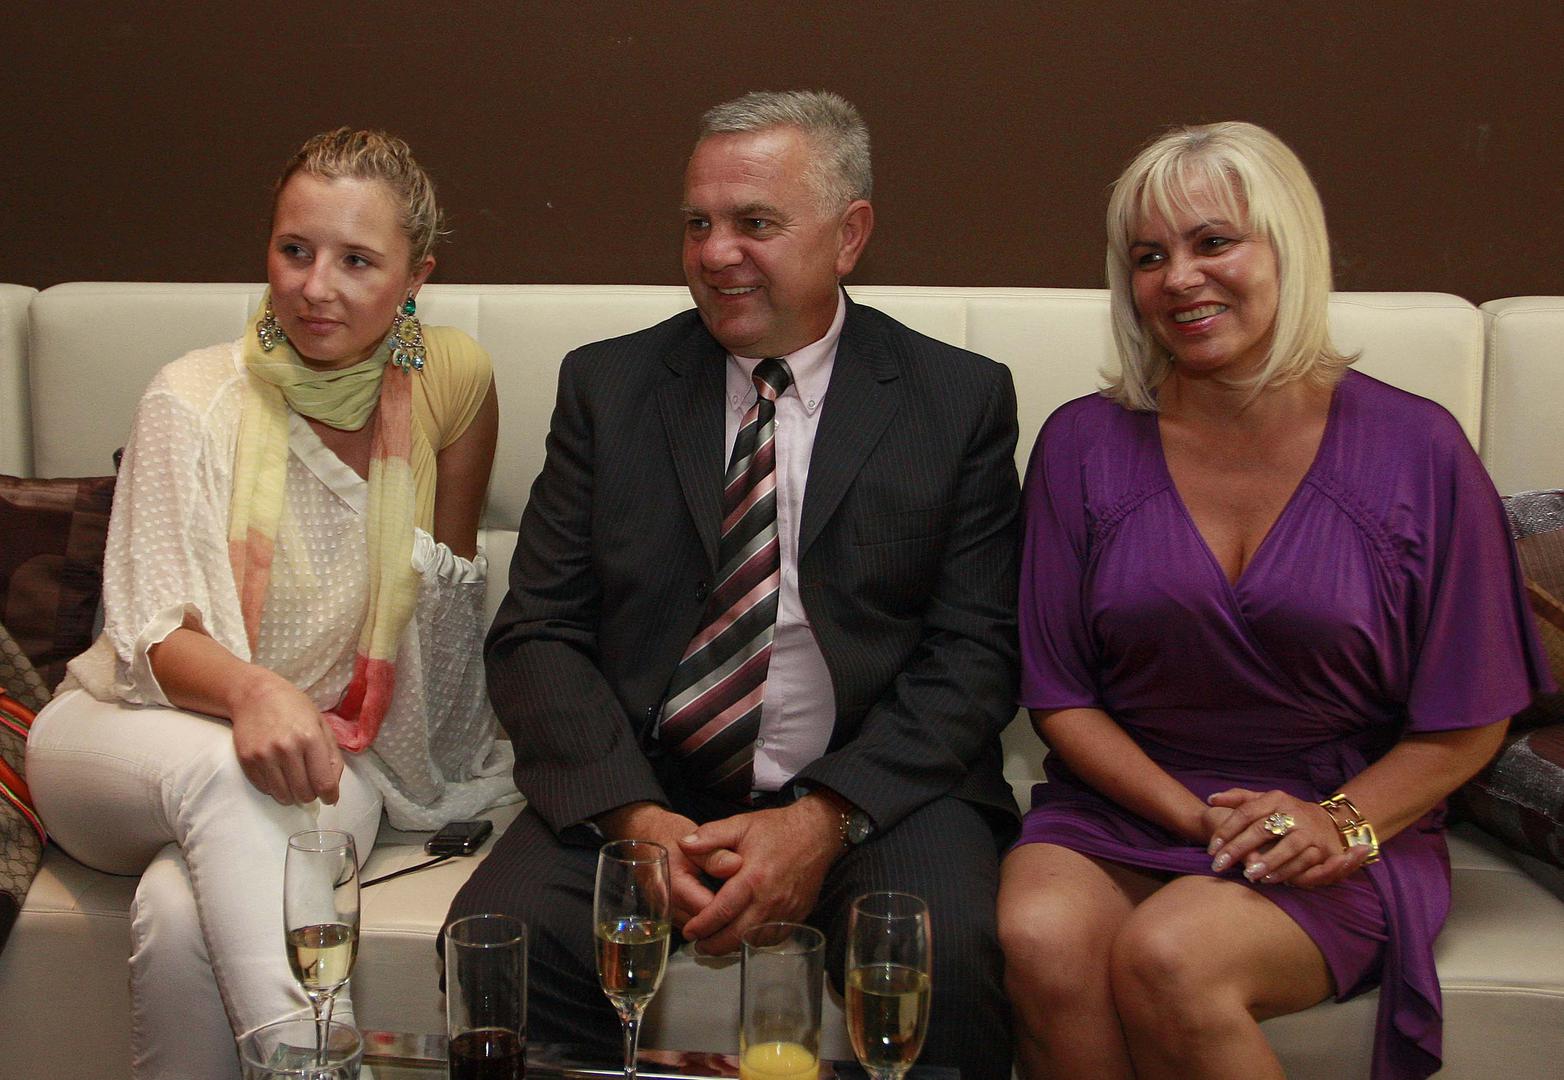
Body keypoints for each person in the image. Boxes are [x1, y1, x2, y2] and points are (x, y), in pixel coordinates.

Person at [447, 90, 1019, 1080]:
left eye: (754, 223)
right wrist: (635, 820)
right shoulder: (609, 388)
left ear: (849, 235)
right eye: (697, 224)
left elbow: (975, 653)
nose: (715, 254)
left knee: (949, 958)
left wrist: (821, 821)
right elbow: (536, 633)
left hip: (871, 792)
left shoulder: (954, 401)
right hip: (646, 782)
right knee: (505, 943)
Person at [998, 121, 1554, 1080]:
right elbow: (1061, 697)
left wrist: (1340, 822)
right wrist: (1194, 816)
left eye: (1213, 242)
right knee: (1038, 937)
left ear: (1289, 248)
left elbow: (1472, 717)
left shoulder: (1420, 449)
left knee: (1172, 955)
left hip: (1341, 815)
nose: (1179, 278)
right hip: (1128, 802)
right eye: (1149, 257)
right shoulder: (1081, 444)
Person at [26, 128, 518, 1079]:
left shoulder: (453, 383)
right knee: (223, 771)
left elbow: (445, 624)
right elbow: (147, 637)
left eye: (357, 261)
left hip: (327, 759)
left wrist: (413, 752)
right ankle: (319, 1066)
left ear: (416, 277)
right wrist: (256, 692)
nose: (315, 287)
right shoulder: (190, 395)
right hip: (125, 736)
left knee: (180, 914)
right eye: (295, 250)